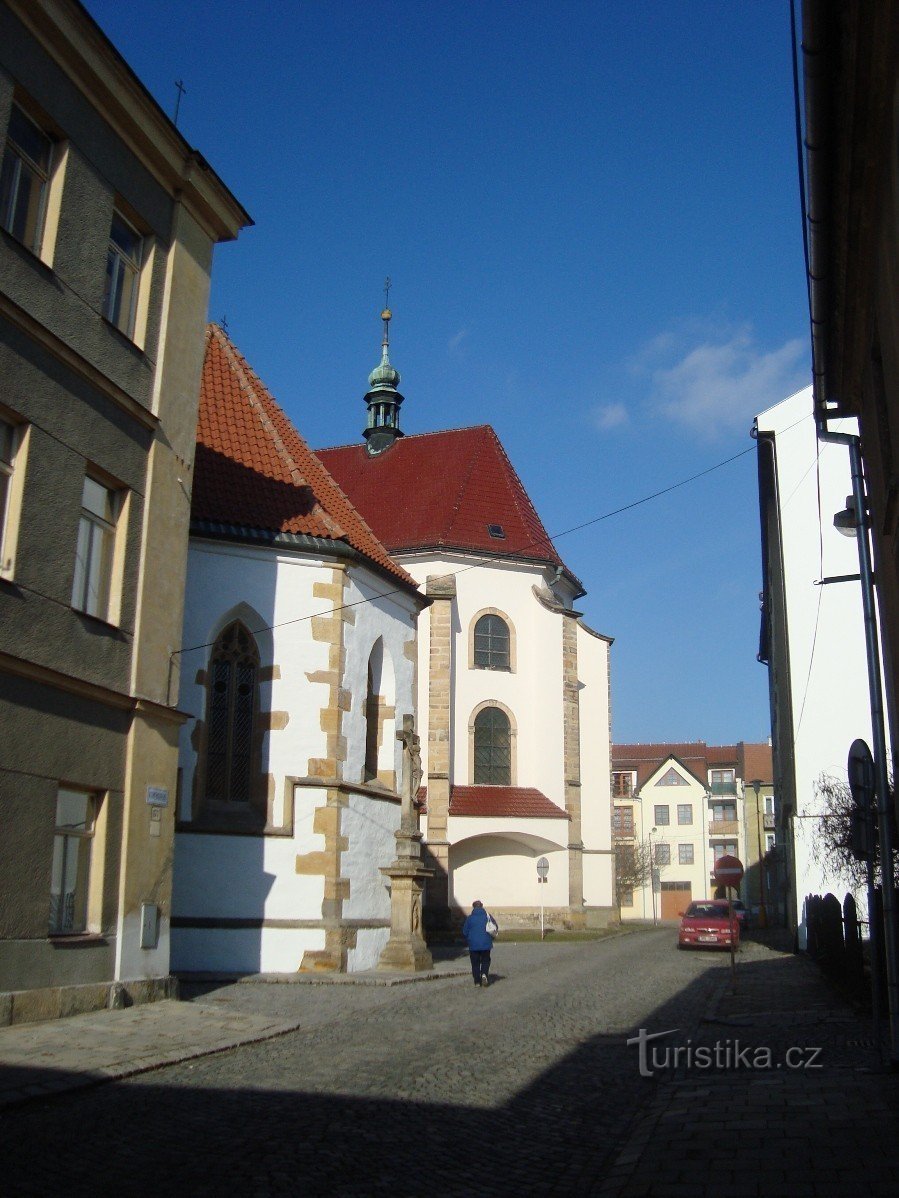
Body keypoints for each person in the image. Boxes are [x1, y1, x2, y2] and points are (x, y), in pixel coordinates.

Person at [462, 899, 496, 987]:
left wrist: (469, 939)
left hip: (473, 944)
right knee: (485, 960)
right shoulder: (488, 916)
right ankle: (484, 974)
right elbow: (495, 927)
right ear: (482, 906)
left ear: (473, 907)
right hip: (486, 943)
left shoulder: (470, 918)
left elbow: (465, 931)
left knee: (475, 962)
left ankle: (477, 981)